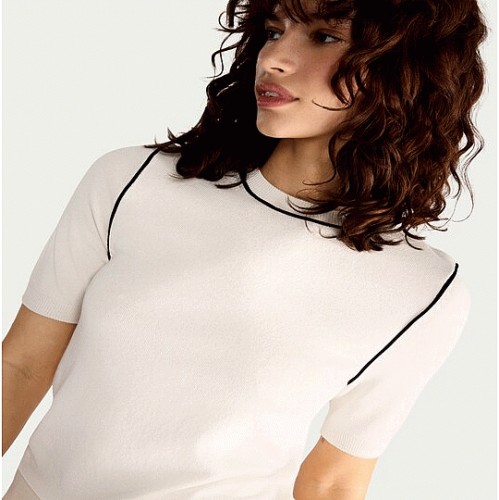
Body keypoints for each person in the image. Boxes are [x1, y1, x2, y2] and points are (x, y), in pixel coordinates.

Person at [2, 0, 487, 498]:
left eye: (324, 37)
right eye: (273, 31)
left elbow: (333, 482)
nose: (273, 58)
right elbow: (21, 365)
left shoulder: (422, 290)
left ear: (406, 67)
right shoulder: (133, 182)